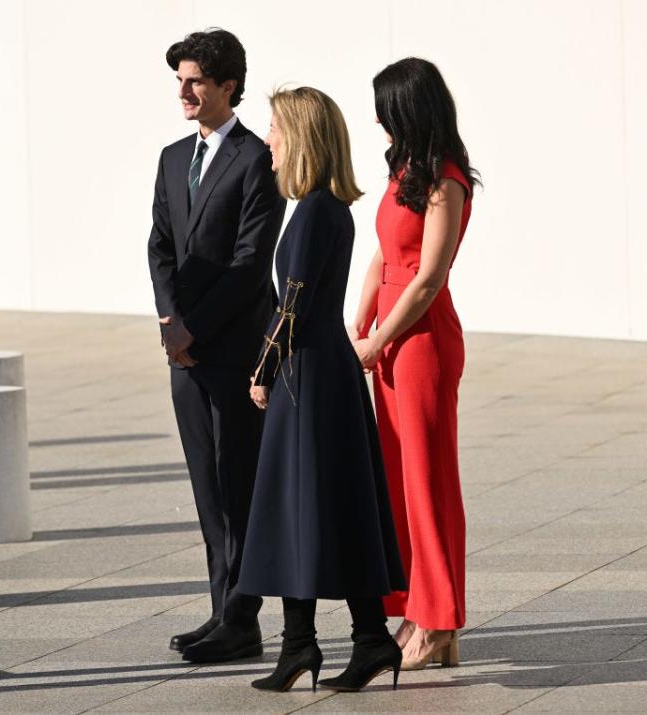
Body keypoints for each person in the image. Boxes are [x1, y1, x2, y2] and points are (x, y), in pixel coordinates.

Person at [239, 87, 406, 693]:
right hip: (322, 373)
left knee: (298, 504)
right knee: (333, 503)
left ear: (301, 138)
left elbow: (294, 304)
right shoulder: (325, 207)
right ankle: (359, 641)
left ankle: (305, 646)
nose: (268, 143)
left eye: (276, 131)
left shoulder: (312, 211)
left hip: (307, 375)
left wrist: (261, 369)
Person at [147, 28, 286, 663]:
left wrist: (194, 329)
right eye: (180, 79)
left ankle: (243, 615)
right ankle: (222, 611)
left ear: (228, 85)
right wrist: (172, 323)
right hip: (186, 353)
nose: (184, 90)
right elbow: (160, 247)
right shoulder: (174, 157)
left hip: (231, 351)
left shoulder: (257, 159)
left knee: (238, 486)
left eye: (196, 80)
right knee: (207, 488)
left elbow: (250, 264)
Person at [350, 57, 479, 670]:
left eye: (385, 107)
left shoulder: (446, 179)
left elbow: (428, 278)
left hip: (422, 340)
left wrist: (379, 341)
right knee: (400, 484)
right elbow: (385, 252)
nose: (377, 117)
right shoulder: (407, 170)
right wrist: (360, 317)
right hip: (391, 335)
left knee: (428, 485)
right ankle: (420, 614)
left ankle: (437, 621)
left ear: (409, 108)